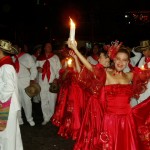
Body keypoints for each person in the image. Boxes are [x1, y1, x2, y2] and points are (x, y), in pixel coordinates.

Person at [67, 39, 150, 150]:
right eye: (118, 59)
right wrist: (75, 50)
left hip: (127, 120)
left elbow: (147, 71)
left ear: (127, 62)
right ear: (114, 59)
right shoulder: (106, 74)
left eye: (124, 60)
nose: (121, 63)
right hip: (110, 120)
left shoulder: (130, 75)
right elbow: (90, 68)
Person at [0, 39, 23, 150]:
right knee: (12, 134)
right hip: (9, 105)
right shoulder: (6, 64)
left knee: (6, 136)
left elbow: (9, 88)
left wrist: (1, 99)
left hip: (7, 105)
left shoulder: (6, 66)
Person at [36, 41, 62, 125]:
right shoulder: (40, 58)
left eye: (50, 46)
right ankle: (45, 117)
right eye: (47, 46)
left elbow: (59, 69)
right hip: (42, 81)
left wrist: (56, 78)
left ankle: (51, 115)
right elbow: (35, 67)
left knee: (52, 100)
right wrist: (38, 68)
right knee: (44, 100)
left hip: (52, 82)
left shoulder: (55, 57)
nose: (49, 47)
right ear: (44, 48)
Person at [12, 43, 37, 126]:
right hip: (15, 82)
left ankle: (29, 119)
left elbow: (33, 68)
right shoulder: (12, 58)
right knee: (17, 101)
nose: (13, 49)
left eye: (15, 48)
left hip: (25, 80)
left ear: (19, 49)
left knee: (27, 101)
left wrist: (32, 79)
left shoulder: (26, 56)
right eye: (12, 48)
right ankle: (19, 119)